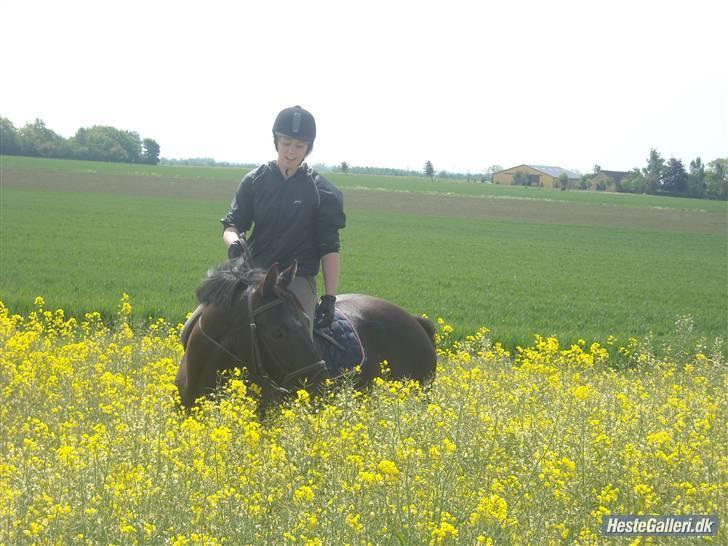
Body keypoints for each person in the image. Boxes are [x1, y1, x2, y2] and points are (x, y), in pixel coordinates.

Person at [181, 105, 345, 345]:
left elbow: (329, 246)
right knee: (191, 330)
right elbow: (232, 225)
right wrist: (235, 244)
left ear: (308, 148)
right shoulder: (255, 180)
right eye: (286, 142)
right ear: (276, 141)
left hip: (296, 279)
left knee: (300, 343)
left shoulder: (322, 191)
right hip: (251, 273)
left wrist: (329, 297)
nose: (291, 151)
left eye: (299, 145)